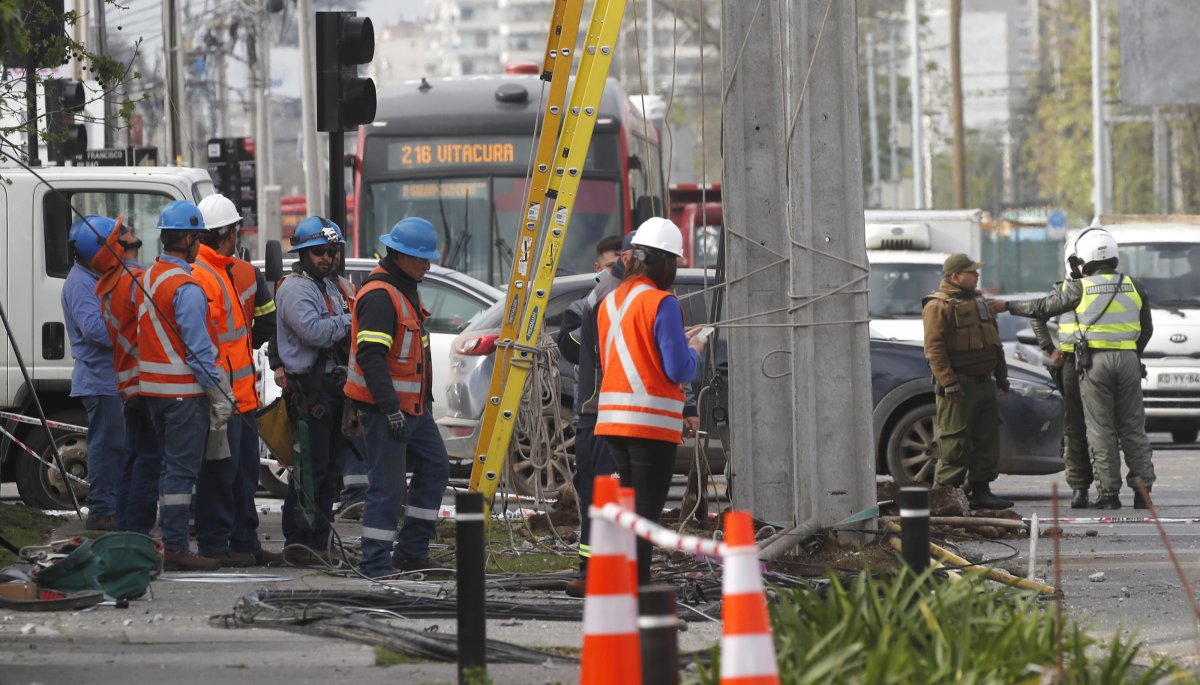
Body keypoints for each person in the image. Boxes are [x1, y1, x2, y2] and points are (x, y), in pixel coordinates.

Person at [991, 228, 1155, 509]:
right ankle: (1143, 492)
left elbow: (1042, 307)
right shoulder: (1134, 285)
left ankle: (1109, 494)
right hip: (1128, 360)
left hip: (1093, 362)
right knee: (1133, 428)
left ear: (1084, 258)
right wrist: (1130, 352)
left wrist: (1007, 305)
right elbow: (1146, 329)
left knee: (1100, 428)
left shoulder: (1080, 287)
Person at [594, 217, 708, 587]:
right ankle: (636, 587)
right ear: (664, 262)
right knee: (645, 513)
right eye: (675, 262)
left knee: (630, 510)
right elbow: (677, 368)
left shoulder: (609, 301)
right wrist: (694, 349)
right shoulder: (663, 302)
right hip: (649, 425)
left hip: (613, 423)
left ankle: (623, 581)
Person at [344, 217, 452, 578]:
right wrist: (390, 411)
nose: (428, 264)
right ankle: (374, 563)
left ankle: (412, 551)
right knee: (387, 487)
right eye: (422, 258)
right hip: (386, 410)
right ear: (401, 256)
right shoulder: (380, 295)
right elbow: (371, 358)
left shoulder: (404, 287)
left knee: (435, 465)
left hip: (414, 410)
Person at [137, 201, 234, 571]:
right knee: (181, 471)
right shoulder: (187, 287)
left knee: (168, 468)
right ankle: (176, 546)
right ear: (192, 238)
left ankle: (171, 541)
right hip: (182, 394)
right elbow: (197, 349)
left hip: (154, 392)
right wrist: (219, 393)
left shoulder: (150, 277)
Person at [192, 194, 281, 566]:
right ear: (229, 233)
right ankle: (217, 544)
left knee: (243, 475)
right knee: (219, 475)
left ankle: (244, 544)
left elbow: (257, 325)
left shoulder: (227, 271)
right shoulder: (202, 275)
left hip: (238, 395)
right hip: (220, 397)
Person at [274, 217, 353, 565]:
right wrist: (353, 320)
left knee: (329, 474)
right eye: (319, 252)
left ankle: (319, 542)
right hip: (311, 395)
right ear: (303, 254)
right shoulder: (294, 288)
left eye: (331, 251)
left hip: (334, 390)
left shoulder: (333, 286)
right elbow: (314, 332)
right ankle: (298, 542)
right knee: (310, 471)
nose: (327, 258)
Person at [921, 253, 1013, 510]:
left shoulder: (981, 303)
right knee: (954, 442)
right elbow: (934, 350)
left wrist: (1002, 377)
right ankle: (944, 497)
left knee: (986, 440)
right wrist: (950, 383)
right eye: (971, 272)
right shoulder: (938, 306)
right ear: (955, 276)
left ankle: (982, 490)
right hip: (959, 387)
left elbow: (995, 345)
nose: (977, 275)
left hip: (984, 384)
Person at [92, 217, 163, 534]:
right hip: (147, 382)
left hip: (129, 382)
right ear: (116, 246)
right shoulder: (136, 280)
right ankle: (136, 531)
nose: (131, 231)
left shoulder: (110, 284)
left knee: (134, 456)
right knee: (148, 459)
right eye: (123, 232)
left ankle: (126, 525)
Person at [62, 216, 126, 531]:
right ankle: (101, 510)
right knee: (106, 446)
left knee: (117, 446)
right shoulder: (79, 283)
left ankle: (112, 506)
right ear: (97, 249)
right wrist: (131, 324)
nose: (120, 250)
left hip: (110, 378)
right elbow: (94, 330)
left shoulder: (95, 277)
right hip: (100, 381)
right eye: (114, 244)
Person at [1025, 242, 1093, 509]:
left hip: (1103, 362)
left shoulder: (1107, 286)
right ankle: (1079, 486)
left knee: (1104, 429)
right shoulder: (1061, 291)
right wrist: (1049, 349)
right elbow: (1036, 314)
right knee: (1075, 428)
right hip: (1071, 365)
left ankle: (1108, 490)